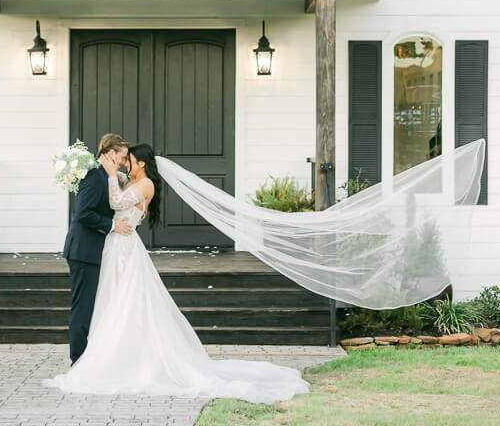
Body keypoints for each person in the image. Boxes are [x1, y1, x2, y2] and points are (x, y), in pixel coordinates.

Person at [46, 143, 310, 405]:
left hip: (125, 249)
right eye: (125, 160)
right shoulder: (128, 179)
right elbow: (112, 193)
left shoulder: (146, 184)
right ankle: (109, 357)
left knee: (125, 302)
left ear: (142, 164)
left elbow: (116, 201)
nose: (126, 164)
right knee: (113, 302)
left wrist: (112, 175)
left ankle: (123, 361)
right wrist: (112, 174)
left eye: (131, 160)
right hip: (114, 248)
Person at [61, 132, 133, 364]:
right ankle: (77, 360)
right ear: (111, 154)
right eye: (122, 156)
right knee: (83, 307)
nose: (123, 161)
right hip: (84, 252)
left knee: (91, 306)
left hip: (92, 251)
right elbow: (83, 214)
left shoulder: (105, 175)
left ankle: (87, 356)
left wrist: (121, 177)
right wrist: (112, 224)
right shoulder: (94, 176)